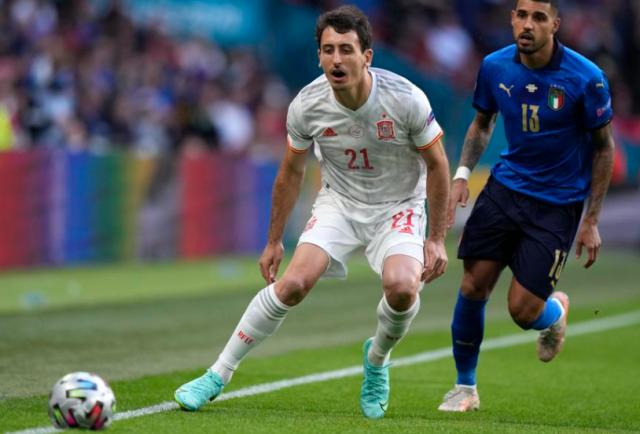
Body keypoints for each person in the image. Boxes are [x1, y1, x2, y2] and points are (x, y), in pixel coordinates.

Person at [174, 5, 450, 419]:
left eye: (346, 49)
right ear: (319, 56)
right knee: (293, 284)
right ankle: (217, 375)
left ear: (367, 56)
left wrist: (437, 238)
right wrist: (273, 241)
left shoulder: (406, 98)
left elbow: (438, 165)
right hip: (340, 203)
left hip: (398, 206)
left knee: (402, 287)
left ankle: (376, 359)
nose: (336, 59)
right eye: (328, 50)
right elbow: (290, 172)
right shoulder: (306, 104)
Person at [438, 0, 615, 412]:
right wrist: (462, 174)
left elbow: (604, 149)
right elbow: (482, 124)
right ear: (512, 19)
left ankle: (553, 314)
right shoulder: (495, 66)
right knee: (473, 285)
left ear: (555, 24)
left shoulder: (587, 78)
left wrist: (591, 220)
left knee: (522, 311)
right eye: (521, 15)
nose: (528, 24)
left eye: (538, 17)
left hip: (557, 203)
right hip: (505, 190)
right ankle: (465, 388)